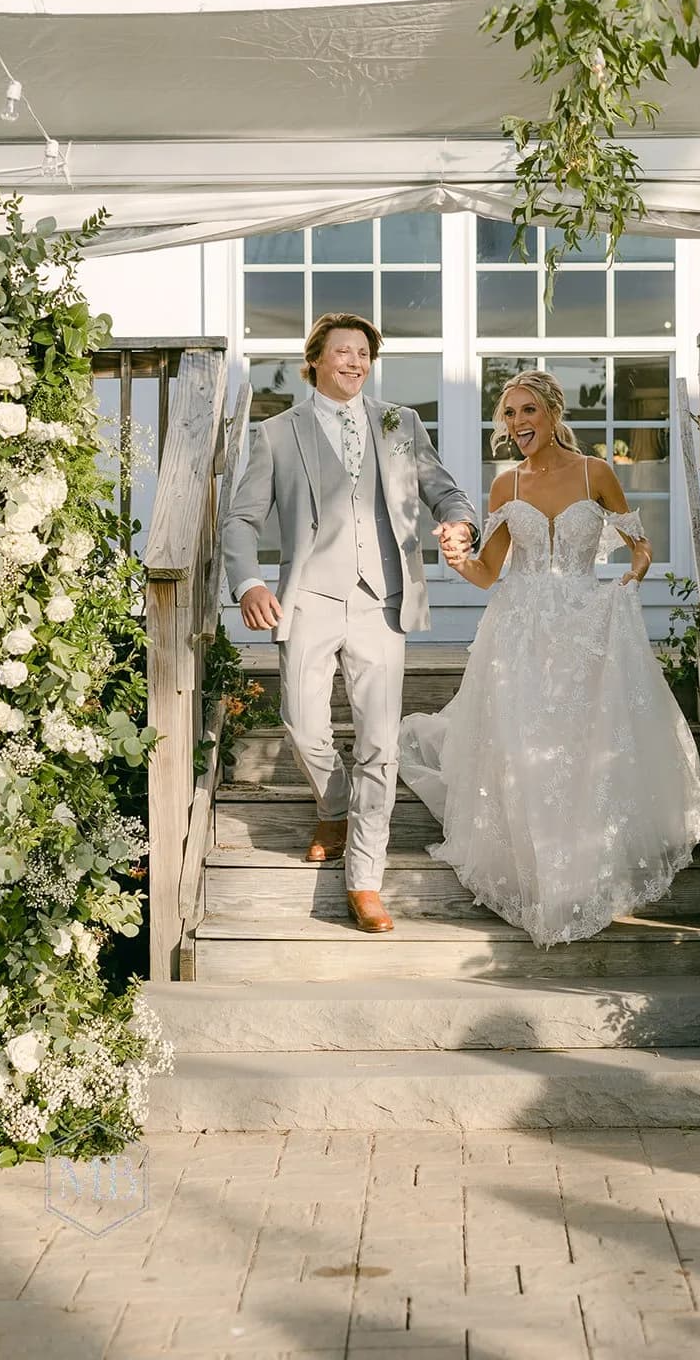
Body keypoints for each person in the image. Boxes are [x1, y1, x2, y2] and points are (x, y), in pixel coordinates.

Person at [399, 370, 700, 948]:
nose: (517, 425)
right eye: (508, 415)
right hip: (518, 630)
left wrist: (631, 578)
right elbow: (488, 573)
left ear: (552, 412)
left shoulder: (597, 473)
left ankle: (581, 870)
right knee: (523, 749)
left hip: (585, 623)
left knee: (577, 745)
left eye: (526, 412)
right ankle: (539, 883)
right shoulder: (505, 488)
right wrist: (456, 556)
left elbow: (640, 546)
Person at [223, 312, 478, 935]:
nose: (355, 362)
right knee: (303, 723)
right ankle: (334, 805)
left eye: (363, 352)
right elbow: (240, 520)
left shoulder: (401, 423)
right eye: (342, 351)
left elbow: (447, 493)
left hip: (382, 600)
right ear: (315, 359)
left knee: (379, 743)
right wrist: (250, 581)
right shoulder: (276, 434)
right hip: (308, 597)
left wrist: (459, 524)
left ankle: (365, 879)